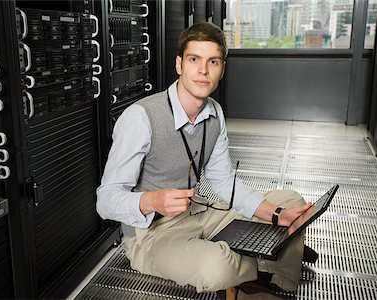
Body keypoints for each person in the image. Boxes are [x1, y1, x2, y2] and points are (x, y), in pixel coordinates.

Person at [96, 22, 313, 299]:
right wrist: (151, 200)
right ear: (179, 64)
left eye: (213, 61)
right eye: (194, 59)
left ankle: (272, 278)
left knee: (291, 200)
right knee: (216, 266)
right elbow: (104, 200)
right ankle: (267, 260)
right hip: (151, 234)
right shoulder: (140, 118)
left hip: (200, 212)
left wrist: (275, 215)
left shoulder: (215, 113)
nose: (203, 70)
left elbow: (223, 182)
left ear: (221, 69)